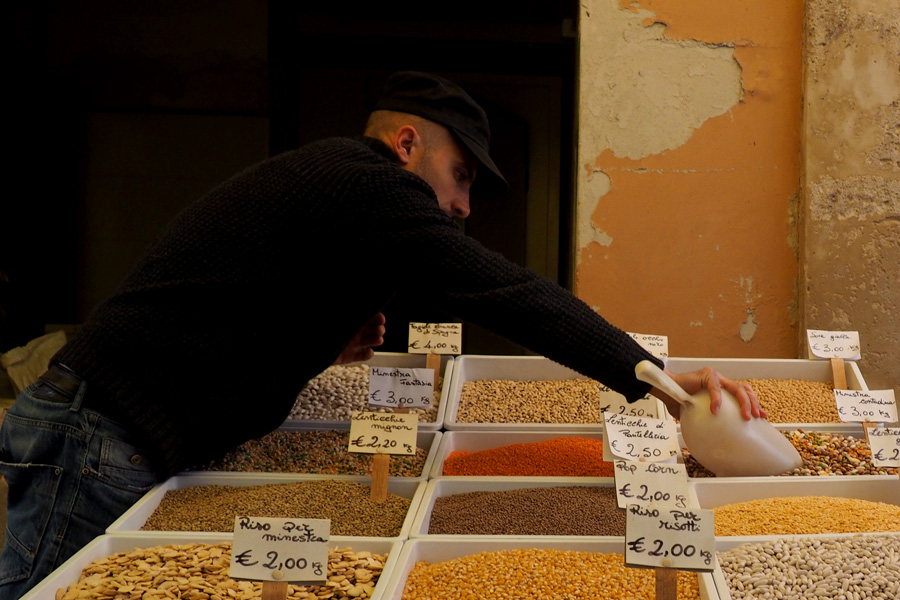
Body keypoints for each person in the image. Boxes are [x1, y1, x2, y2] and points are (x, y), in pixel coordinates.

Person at [0, 71, 763, 596]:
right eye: (461, 174)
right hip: (98, 436)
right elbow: (508, 290)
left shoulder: (333, 189)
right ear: (405, 144)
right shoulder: (365, 181)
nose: (464, 204)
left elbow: (234, 306)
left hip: (111, 430)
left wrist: (321, 342)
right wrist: (652, 375)